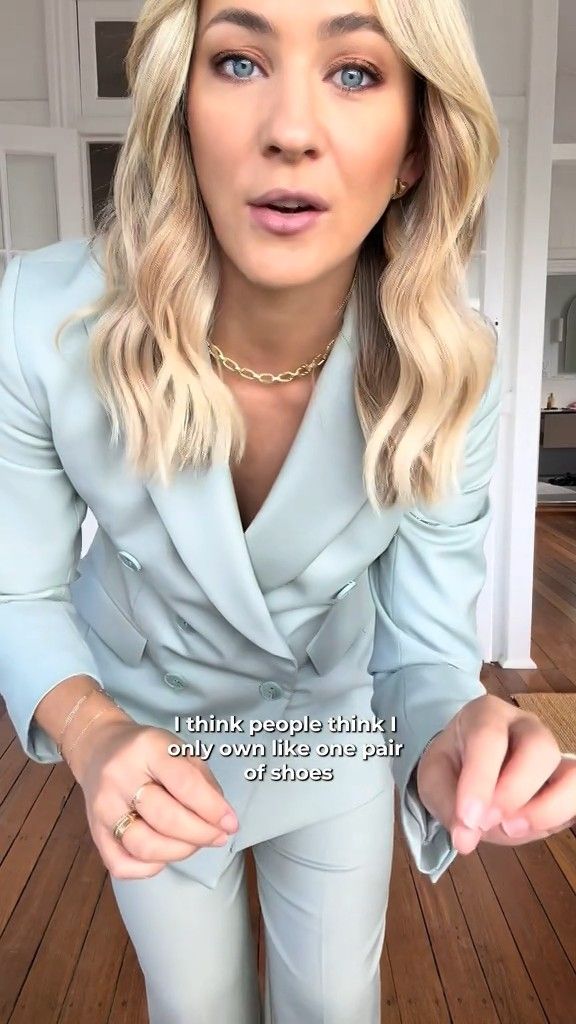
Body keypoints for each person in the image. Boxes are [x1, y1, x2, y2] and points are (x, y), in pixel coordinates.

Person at [0, 1, 574, 1022]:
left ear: (415, 146)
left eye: (355, 72)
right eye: (237, 61)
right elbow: (17, 588)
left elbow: (424, 649)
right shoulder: (39, 319)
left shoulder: (457, 366)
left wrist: (452, 729)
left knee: (337, 1005)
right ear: (180, 111)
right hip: (148, 732)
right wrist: (91, 731)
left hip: (329, 733)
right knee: (194, 1006)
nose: (292, 130)